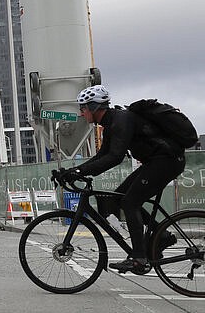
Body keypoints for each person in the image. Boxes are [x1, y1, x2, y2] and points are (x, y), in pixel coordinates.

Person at [61, 85, 186, 274]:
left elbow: (115, 157)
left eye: (83, 108)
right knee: (119, 197)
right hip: (156, 162)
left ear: (94, 108)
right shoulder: (110, 123)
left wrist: (80, 171)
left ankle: (139, 258)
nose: (81, 113)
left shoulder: (121, 120)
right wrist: (75, 170)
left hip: (166, 162)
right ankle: (162, 236)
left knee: (130, 202)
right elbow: (103, 155)